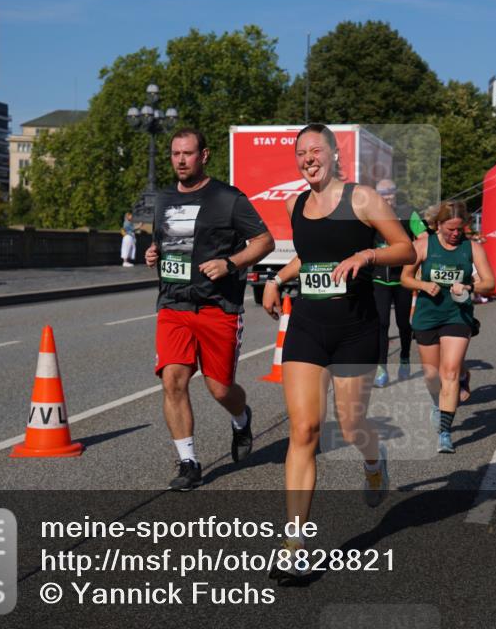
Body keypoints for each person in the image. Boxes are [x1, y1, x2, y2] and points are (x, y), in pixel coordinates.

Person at [261, 124, 414, 583]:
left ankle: (373, 460)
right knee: (304, 429)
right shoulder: (295, 204)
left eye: (316, 151)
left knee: (351, 425)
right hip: (307, 325)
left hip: (356, 329)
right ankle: (294, 545)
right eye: (301, 153)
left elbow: (404, 248)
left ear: (333, 154)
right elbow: (309, 258)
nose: (308, 158)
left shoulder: (362, 198)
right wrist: (275, 278)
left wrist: (366, 258)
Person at [144, 127, 274, 491]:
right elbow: (165, 242)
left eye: (187, 154)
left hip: (219, 307)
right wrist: (154, 253)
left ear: (204, 155)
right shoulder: (164, 199)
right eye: (174, 154)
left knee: (220, 389)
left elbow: (265, 241)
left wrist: (230, 264)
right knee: (173, 380)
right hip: (174, 305)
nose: (180, 160)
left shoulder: (227, 198)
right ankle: (189, 461)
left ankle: (241, 417)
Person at [402, 200, 494, 454]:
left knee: (449, 372)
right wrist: (423, 286)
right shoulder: (422, 245)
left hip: (458, 314)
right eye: (450, 229)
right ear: (437, 225)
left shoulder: (471, 248)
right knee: (432, 376)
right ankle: (438, 401)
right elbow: (405, 278)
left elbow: (490, 282)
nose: (455, 234)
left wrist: (468, 287)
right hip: (427, 315)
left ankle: (445, 432)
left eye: (459, 229)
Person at [371, 179, 418, 388]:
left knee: (402, 324)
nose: (386, 196)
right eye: (382, 193)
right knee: (381, 324)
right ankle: (381, 368)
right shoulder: (371, 216)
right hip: (379, 278)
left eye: (390, 192)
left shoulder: (409, 213)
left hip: (402, 279)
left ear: (396, 193)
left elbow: (424, 237)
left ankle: (405, 358)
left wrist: (414, 262)